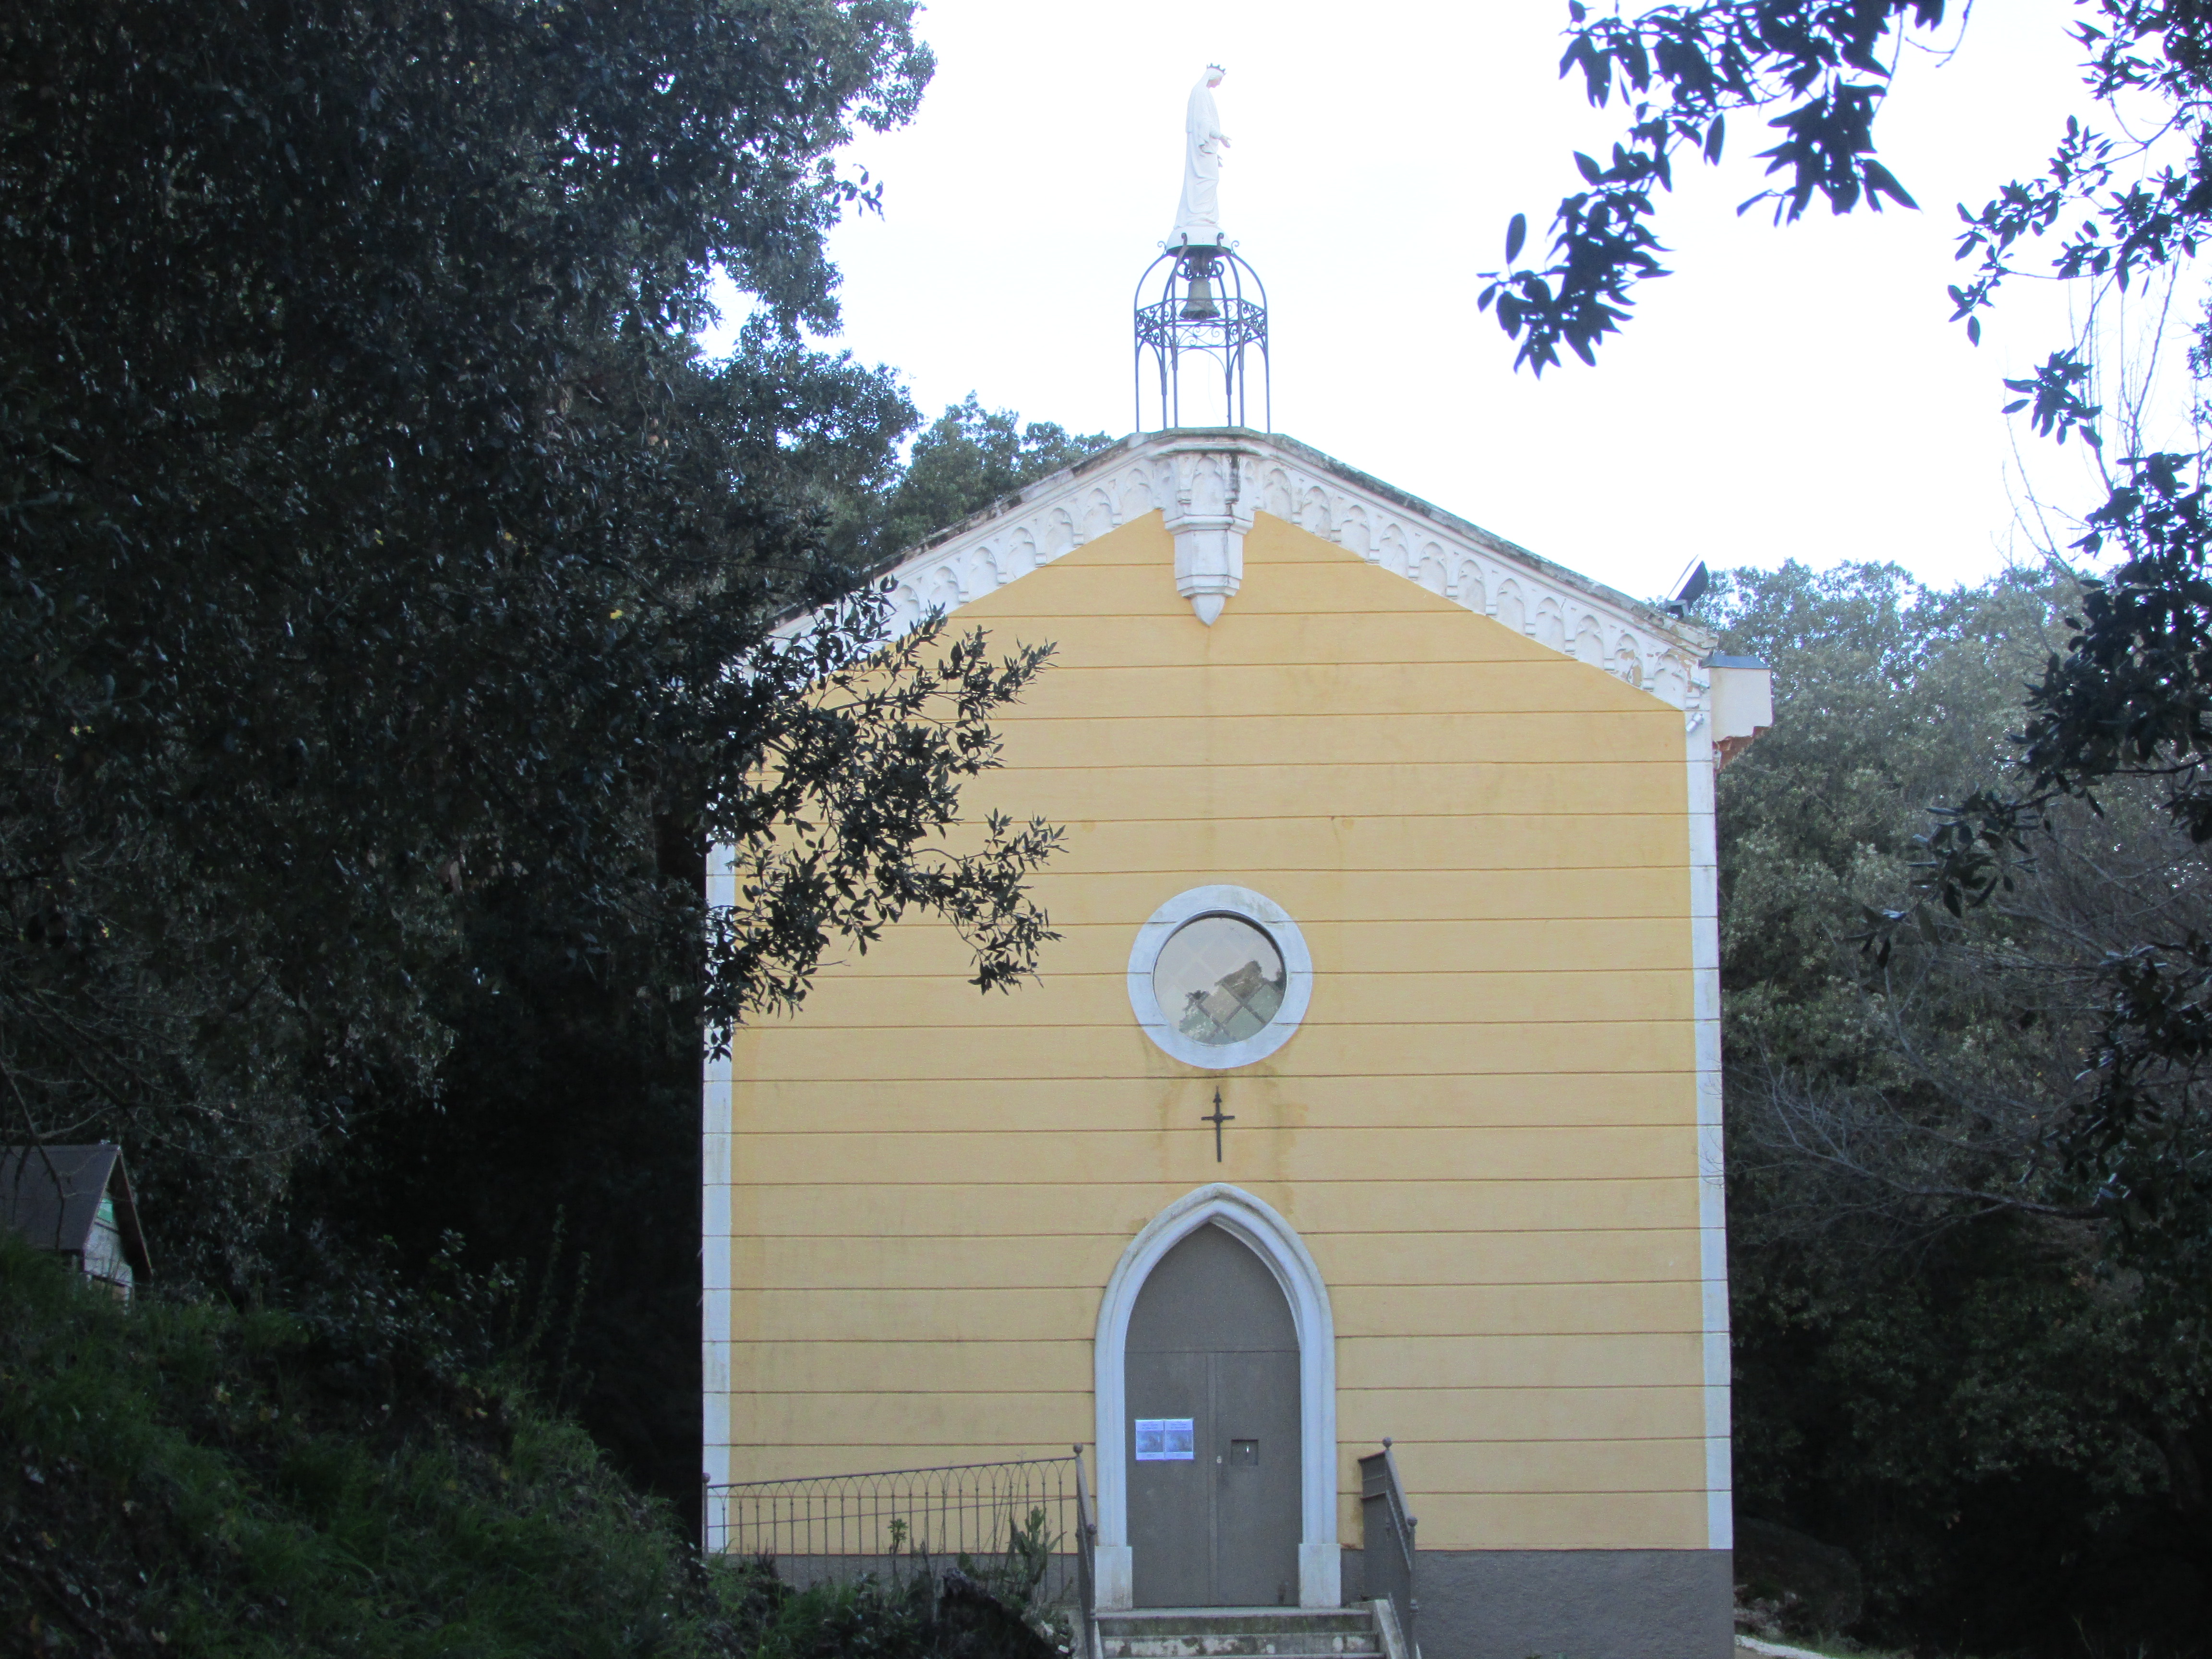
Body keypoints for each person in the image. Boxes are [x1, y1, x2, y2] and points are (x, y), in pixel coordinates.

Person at [1173, 64, 1230, 244]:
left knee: (1207, 179)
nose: (1218, 85)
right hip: (1203, 147)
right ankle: (1200, 216)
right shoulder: (1202, 93)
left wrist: (1214, 151)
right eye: (1218, 81)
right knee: (1209, 179)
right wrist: (1219, 136)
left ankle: (1202, 215)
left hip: (1204, 148)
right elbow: (1203, 122)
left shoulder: (1199, 92)